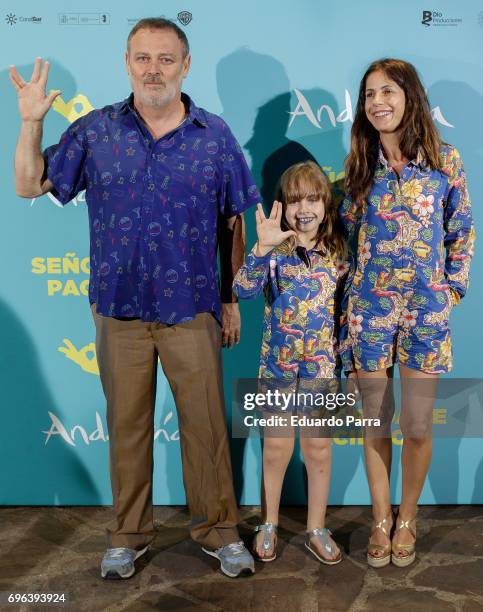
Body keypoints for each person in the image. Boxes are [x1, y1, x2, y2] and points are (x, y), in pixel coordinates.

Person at [10, 17, 261, 579]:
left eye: (166, 59)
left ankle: (220, 531)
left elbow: (232, 222)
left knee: (206, 426)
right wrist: (30, 124)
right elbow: (29, 184)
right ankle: (128, 535)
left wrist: (230, 297)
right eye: (143, 58)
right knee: (126, 425)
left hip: (193, 307)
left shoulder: (214, 135)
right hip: (118, 308)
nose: (154, 69)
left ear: (185, 65)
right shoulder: (95, 131)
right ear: (127, 63)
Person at [340, 58, 474, 567]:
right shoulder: (357, 166)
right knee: (375, 422)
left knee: (417, 426)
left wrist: (450, 290)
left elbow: (461, 230)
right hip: (368, 314)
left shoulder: (446, 161)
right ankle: (379, 517)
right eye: (370, 93)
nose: (378, 102)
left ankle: (408, 517)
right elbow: (345, 243)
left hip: (425, 316)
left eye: (388, 91)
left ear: (410, 96)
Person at [233, 161, 350, 565]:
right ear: (283, 204)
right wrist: (261, 249)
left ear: (325, 203)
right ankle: (269, 524)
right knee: (276, 450)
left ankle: (317, 527)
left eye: (313, 199)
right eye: (297, 199)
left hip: (320, 372)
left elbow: (346, 311)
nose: (305, 208)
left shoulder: (338, 252)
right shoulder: (273, 251)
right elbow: (243, 291)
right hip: (277, 371)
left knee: (318, 450)